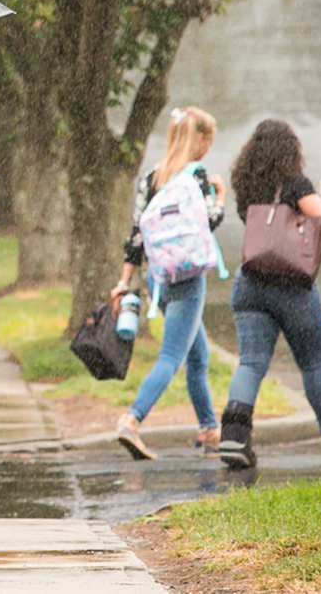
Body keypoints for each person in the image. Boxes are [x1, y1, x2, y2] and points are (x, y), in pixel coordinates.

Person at [218, 119, 321, 470]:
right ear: (290, 149)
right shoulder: (296, 183)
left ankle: (234, 435)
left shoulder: (245, 183)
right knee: (312, 362)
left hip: (250, 284)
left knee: (250, 362)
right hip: (292, 288)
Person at [110, 106, 226, 461]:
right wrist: (220, 196)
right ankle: (132, 419)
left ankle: (209, 429)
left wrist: (123, 281)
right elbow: (210, 223)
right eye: (209, 139)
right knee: (172, 357)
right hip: (189, 279)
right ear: (200, 140)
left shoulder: (151, 179)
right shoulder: (198, 177)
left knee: (198, 355)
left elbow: (136, 235)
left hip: (157, 282)